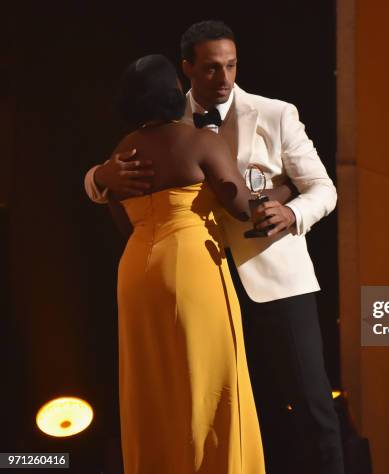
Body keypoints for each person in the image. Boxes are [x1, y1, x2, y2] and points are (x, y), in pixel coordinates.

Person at [84, 21, 344, 474]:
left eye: (231, 65)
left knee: (312, 409)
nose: (223, 78)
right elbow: (106, 179)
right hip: (205, 285)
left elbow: (323, 188)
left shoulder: (277, 113)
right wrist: (98, 178)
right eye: (209, 69)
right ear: (186, 70)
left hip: (277, 282)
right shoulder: (168, 121)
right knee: (231, 408)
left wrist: (292, 213)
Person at [107, 54, 294, 474]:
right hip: (190, 265)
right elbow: (245, 207)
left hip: (136, 269)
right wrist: (284, 191)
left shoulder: (121, 152)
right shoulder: (199, 142)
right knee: (206, 383)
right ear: (173, 94)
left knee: (153, 385)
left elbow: (121, 220)